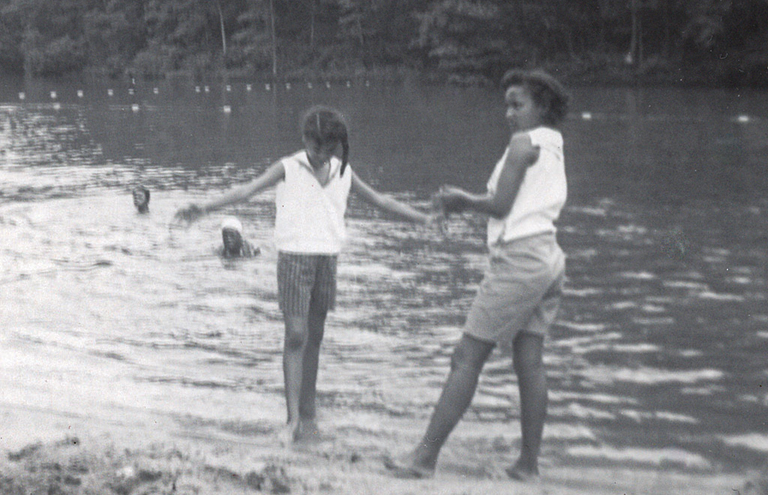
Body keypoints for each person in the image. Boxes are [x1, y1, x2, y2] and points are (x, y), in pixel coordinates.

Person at [175, 105, 436, 444]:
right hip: (294, 259)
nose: (320, 155)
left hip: (327, 259)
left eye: (328, 150)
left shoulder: (343, 171)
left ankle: (309, 413)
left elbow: (381, 201)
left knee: (315, 337)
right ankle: (292, 419)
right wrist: (204, 208)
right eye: (315, 147)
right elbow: (247, 190)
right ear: (304, 139)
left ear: (336, 148)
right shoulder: (289, 167)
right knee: (296, 334)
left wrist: (424, 219)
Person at [385, 69, 570, 482]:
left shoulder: (524, 143)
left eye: (517, 104)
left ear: (541, 107)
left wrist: (459, 200)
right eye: (506, 104)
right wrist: (468, 202)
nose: (508, 113)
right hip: (550, 257)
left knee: (466, 356)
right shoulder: (554, 144)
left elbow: (501, 205)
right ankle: (527, 466)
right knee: (531, 362)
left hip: (521, 259)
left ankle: (423, 458)